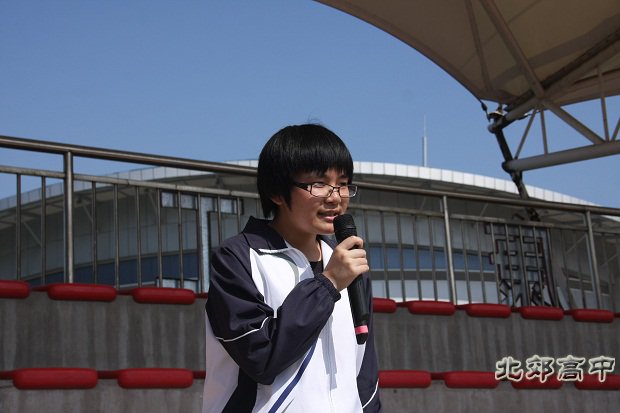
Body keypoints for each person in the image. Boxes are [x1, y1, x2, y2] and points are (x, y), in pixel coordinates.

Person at [201, 124, 381, 412]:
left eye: (343, 183)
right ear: (277, 192)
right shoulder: (237, 258)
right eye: (319, 183)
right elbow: (261, 357)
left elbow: (365, 374)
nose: (335, 197)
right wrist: (328, 284)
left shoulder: (347, 263)